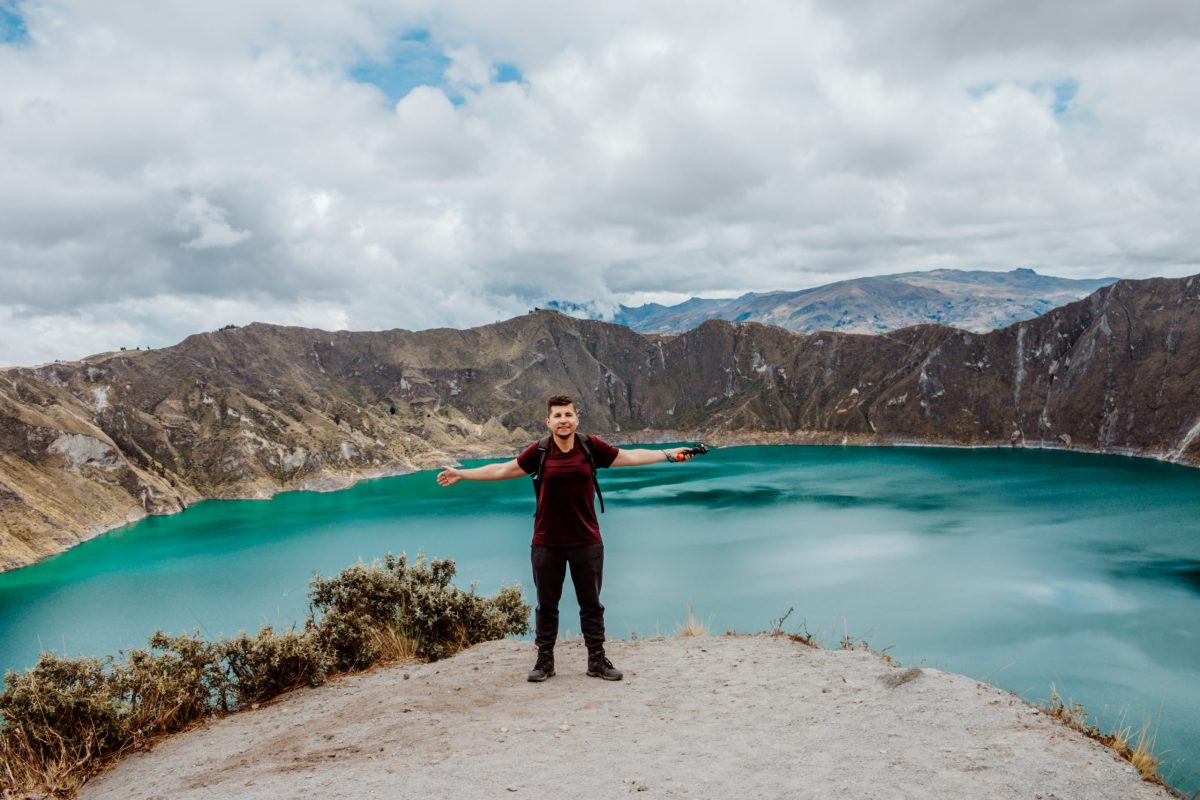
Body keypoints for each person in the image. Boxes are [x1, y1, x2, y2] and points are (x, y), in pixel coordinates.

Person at [436, 393, 699, 682]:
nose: (563, 420)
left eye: (568, 415)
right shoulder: (539, 452)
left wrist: (669, 453)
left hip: (586, 541)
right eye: (558, 416)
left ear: (577, 418)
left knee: (591, 604)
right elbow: (501, 469)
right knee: (546, 605)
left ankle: (597, 660)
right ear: (548, 421)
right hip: (546, 543)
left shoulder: (590, 447)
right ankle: (544, 661)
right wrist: (463, 475)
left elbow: (630, 456)